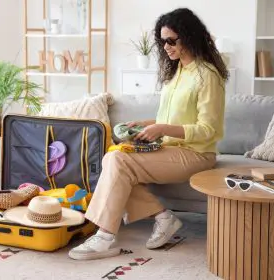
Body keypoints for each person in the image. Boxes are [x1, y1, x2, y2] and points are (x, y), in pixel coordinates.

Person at [68, 7, 229, 260]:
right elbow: (171, 119)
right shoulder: (177, 73)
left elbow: (210, 129)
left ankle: (105, 236)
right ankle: (162, 218)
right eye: (162, 41)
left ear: (189, 36)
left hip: (196, 154)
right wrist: (145, 124)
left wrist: (162, 129)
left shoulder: (208, 75)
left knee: (119, 161)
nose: (165, 46)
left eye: (171, 40)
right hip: (171, 148)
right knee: (115, 156)